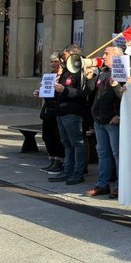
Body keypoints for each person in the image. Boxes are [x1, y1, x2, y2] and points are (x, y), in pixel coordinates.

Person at [86, 45, 125, 198]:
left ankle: (119, 185)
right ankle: (102, 184)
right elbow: (91, 94)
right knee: (103, 153)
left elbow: (125, 98)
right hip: (100, 120)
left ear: (117, 57)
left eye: (107, 54)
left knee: (117, 154)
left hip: (113, 120)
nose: (103, 56)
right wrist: (90, 79)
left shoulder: (122, 72)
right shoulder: (103, 73)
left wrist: (120, 115)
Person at [48, 46, 88, 186]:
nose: (62, 59)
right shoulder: (66, 70)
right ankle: (67, 170)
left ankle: (78, 172)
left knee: (77, 144)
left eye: (64, 55)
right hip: (61, 112)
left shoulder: (79, 70)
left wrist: (65, 90)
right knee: (67, 143)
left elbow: (83, 92)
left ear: (72, 54)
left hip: (72, 113)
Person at [35, 52, 65, 173]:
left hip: (58, 110)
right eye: (51, 61)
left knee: (58, 137)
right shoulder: (49, 75)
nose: (53, 64)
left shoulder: (63, 76)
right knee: (47, 136)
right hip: (48, 110)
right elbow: (46, 91)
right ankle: (52, 159)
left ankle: (59, 161)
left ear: (61, 62)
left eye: (55, 61)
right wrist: (39, 92)